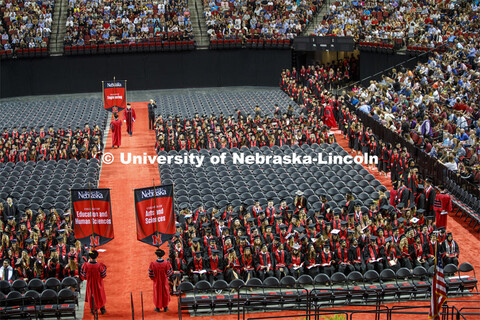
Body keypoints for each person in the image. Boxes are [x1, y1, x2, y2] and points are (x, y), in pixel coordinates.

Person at [80, 249, 107, 315]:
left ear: (90, 257)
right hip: (98, 284)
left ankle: (92, 310)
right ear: (96, 257)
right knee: (100, 295)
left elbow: (83, 275)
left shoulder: (85, 265)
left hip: (90, 284)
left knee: (91, 295)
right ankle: (102, 309)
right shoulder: (100, 266)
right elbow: (103, 275)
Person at [149, 248, 173, 313]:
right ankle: (165, 307)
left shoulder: (153, 264)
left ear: (157, 256)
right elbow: (170, 273)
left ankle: (157, 308)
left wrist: (154, 278)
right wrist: (166, 276)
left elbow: (151, 274)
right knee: (165, 292)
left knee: (157, 293)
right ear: (162, 256)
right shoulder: (166, 263)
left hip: (156, 281)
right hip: (164, 281)